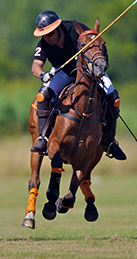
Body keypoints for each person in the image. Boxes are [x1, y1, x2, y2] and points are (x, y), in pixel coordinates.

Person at [30, 10, 126, 161]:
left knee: (113, 98)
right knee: (43, 96)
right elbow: (35, 65)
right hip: (63, 72)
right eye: (44, 35)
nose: (46, 38)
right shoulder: (43, 43)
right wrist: (43, 74)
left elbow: (96, 45)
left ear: (58, 29)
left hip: (88, 72)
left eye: (49, 34)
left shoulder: (75, 31)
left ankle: (109, 141)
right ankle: (43, 138)